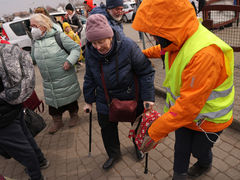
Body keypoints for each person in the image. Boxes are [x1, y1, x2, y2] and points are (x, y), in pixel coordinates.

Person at [132, 0, 234, 180]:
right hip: (182, 116)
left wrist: (155, 131)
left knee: (198, 150)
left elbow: (187, 107)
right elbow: (164, 50)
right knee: (181, 149)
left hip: (208, 120)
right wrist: (142, 54)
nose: (155, 38)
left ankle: (204, 162)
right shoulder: (180, 37)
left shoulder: (205, 54)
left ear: (170, 27)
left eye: (156, 34)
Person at [83, 14, 155, 170]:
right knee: (107, 129)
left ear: (110, 36)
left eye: (101, 42)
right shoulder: (89, 52)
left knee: (137, 124)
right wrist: (88, 100)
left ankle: (138, 146)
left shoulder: (128, 46)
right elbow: (89, 76)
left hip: (131, 94)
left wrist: (148, 97)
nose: (97, 47)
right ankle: (114, 154)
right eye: (93, 42)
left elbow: (146, 71)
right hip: (105, 98)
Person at [0, 43, 49, 180]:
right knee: (25, 136)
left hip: (3, 115)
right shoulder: (4, 49)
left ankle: (36, 176)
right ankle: (40, 160)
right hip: (13, 105)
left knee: (21, 148)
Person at [30, 14, 81, 134]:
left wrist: (70, 61)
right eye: (31, 26)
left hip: (65, 76)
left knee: (70, 98)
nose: (32, 29)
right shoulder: (35, 42)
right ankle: (57, 121)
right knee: (53, 103)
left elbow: (76, 48)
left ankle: (74, 116)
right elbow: (33, 58)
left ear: (43, 26)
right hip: (49, 80)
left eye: (34, 26)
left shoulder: (59, 36)